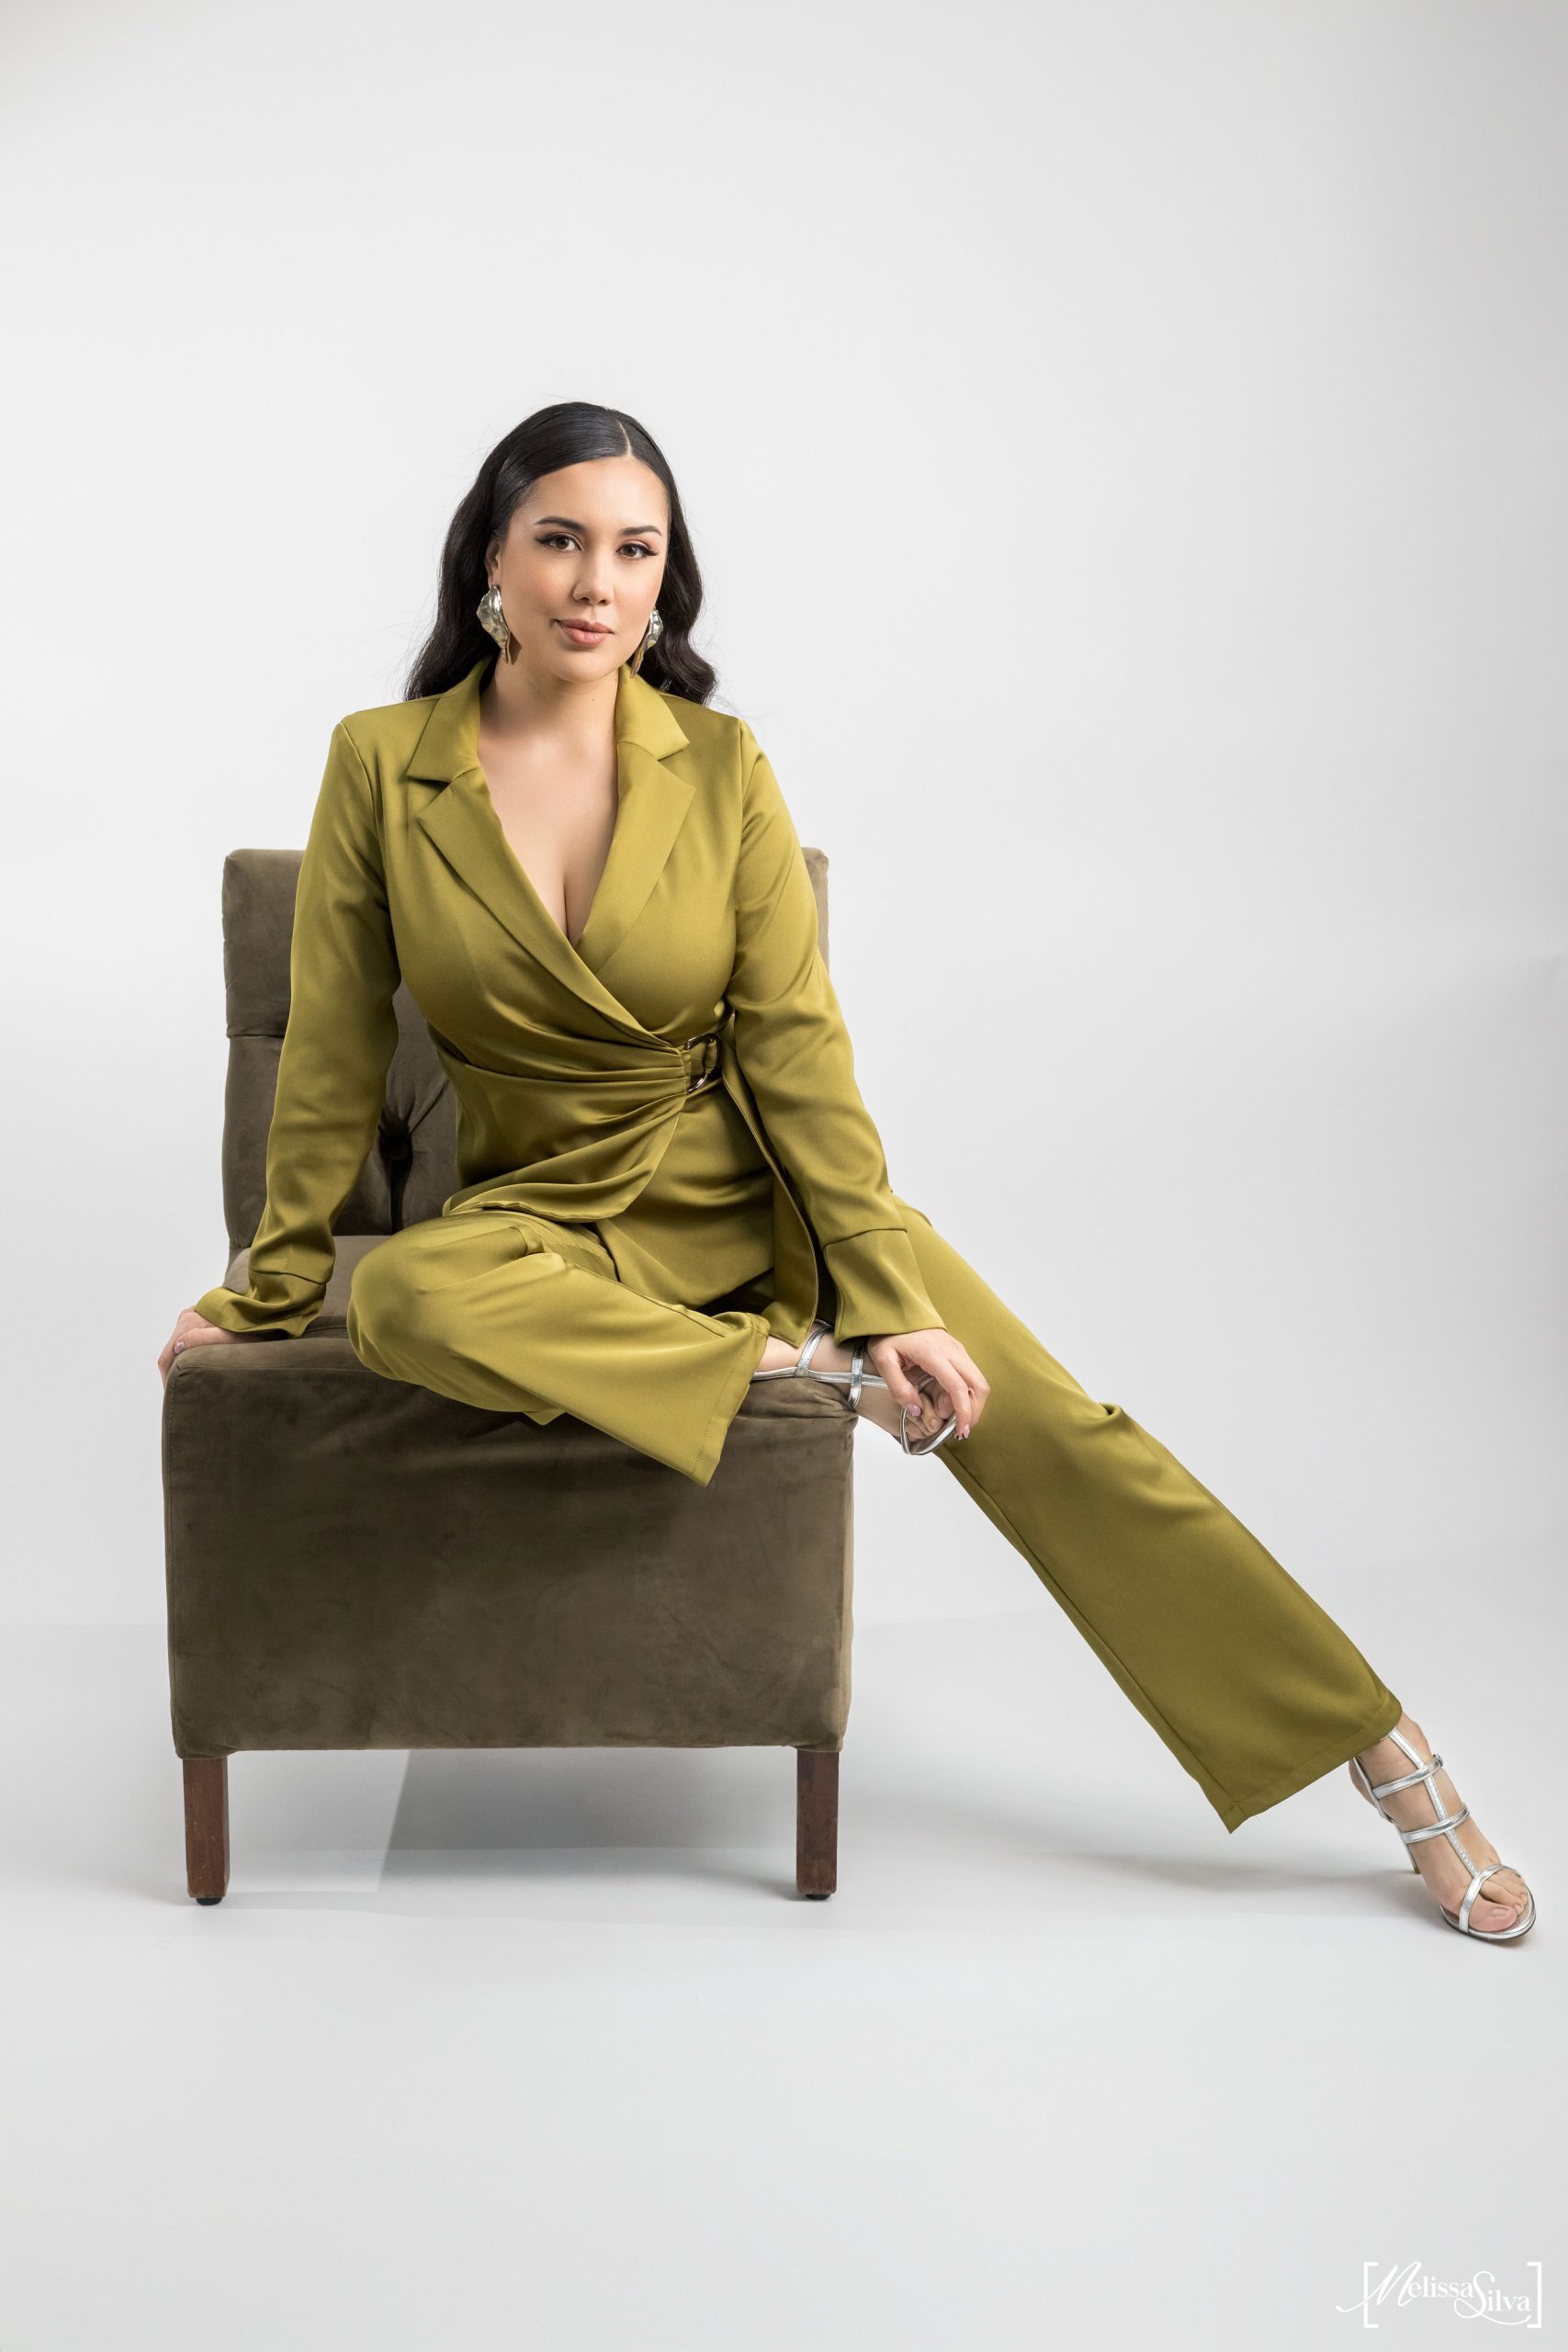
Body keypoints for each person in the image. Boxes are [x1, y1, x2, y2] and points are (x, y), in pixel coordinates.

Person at [158, 400, 1535, 1943]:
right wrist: (264, 1292)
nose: (596, 584)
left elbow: (798, 1052)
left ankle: (1385, 1750)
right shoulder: (382, 763)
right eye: (559, 541)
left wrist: (887, 1296)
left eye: (635, 550)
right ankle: (800, 1375)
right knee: (408, 1292)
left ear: (665, 579)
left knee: (1064, 1434)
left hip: (752, 1197)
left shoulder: (722, 765)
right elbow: (334, 1051)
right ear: (492, 559)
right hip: (549, 1222)